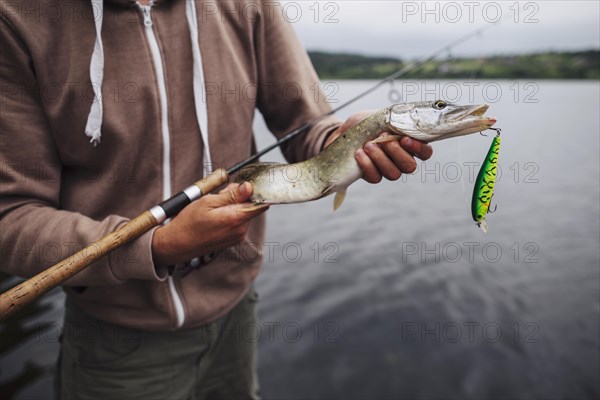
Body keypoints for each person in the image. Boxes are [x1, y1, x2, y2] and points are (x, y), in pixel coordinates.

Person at [0, 0, 432, 398]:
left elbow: (310, 126)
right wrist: (159, 246)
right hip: (114, 341)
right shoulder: (19, 17)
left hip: (237, 318)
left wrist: (344, 140)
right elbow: (11, 219)